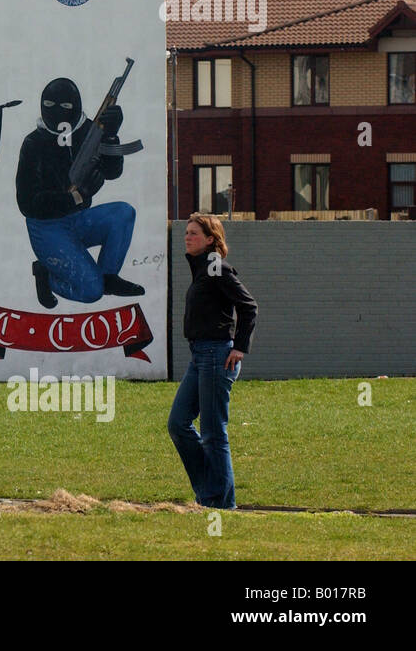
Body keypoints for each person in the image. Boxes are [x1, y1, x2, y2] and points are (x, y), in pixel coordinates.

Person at [15, 76, 143, 307]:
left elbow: (112, 172)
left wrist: (111, 135)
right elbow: (27, 203)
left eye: (65, 107)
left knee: (123, 213)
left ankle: (109, 276)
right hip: (47, 228)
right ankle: (47, 276)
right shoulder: (34, 143)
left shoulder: (88, 131)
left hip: (79, 220)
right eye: (50, 106)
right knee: (91, 291)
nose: (57, 113)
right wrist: (75, 197)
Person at [168, 213, 258, 509]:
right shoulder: (202, 268)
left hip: (217, 356)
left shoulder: (216, 266)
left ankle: (222, 503)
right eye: (187, 232)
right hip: (200, 355)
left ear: (210, 239)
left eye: (194, 233)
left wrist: (240, 347)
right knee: (178, 423)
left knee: (213, 432)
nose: (187, 236)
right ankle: (210, 494)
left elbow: (248, 306)